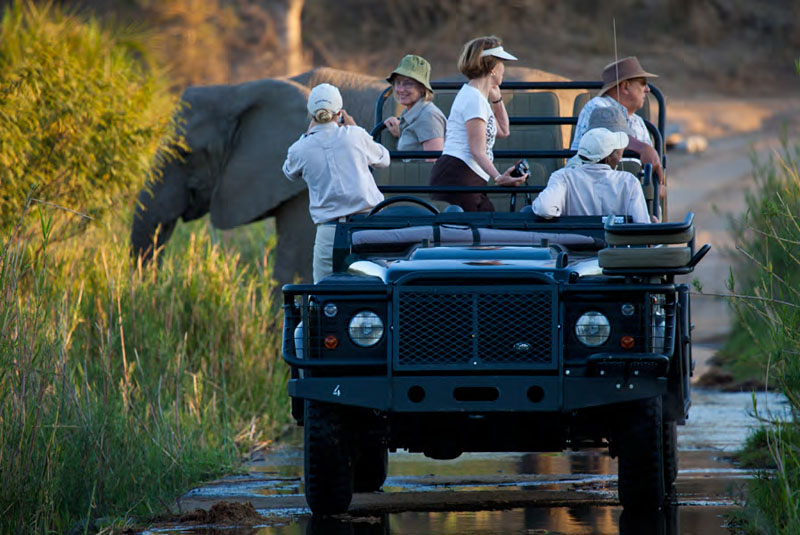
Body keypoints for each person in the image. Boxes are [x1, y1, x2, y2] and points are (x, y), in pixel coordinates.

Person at [282, 83, 390, 282]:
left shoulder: (300, 148)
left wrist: (307, 134)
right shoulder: (355, 135)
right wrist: (354, 128)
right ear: (339, 113)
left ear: (311, 114)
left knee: (324, 292)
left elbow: (289, 171)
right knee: (378, 287)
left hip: (329, 233)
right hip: (368, 227)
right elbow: (384, 159)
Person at [428, 36, 528, 212]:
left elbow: (504, 130)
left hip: (469, 177)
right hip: (459, 175)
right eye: (501, 63)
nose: (504, 68)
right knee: (478, 225)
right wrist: (498, 177)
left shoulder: (478, 98)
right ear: (492, 69)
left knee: (486, 221)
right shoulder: (473, 99)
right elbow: (477, 151)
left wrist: (497, 99)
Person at [570, 56, 665, 190]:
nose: (648, 89)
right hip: (594, 190)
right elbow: (605, 138)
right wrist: (643, 148)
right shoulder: (597, 107)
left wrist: (658, 186)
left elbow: (655, 179)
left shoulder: (639, 122)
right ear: (625, 87)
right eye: (643, 82)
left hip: (631, 194)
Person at [533, 127, 651, 223]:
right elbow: (641, 224)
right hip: (615, 244)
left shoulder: (563, 177)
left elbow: (544, 208)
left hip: (575, 243)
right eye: (617, 152)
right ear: (608, 158)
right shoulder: (629, 181)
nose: (619, 157)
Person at [383, 54, 446, 154]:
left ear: (422, 88)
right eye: (397, 83)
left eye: (408, 83)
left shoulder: (429, 116)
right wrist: (401, 133)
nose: (400, 89)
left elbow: (434, 160)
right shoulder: (409, 112)